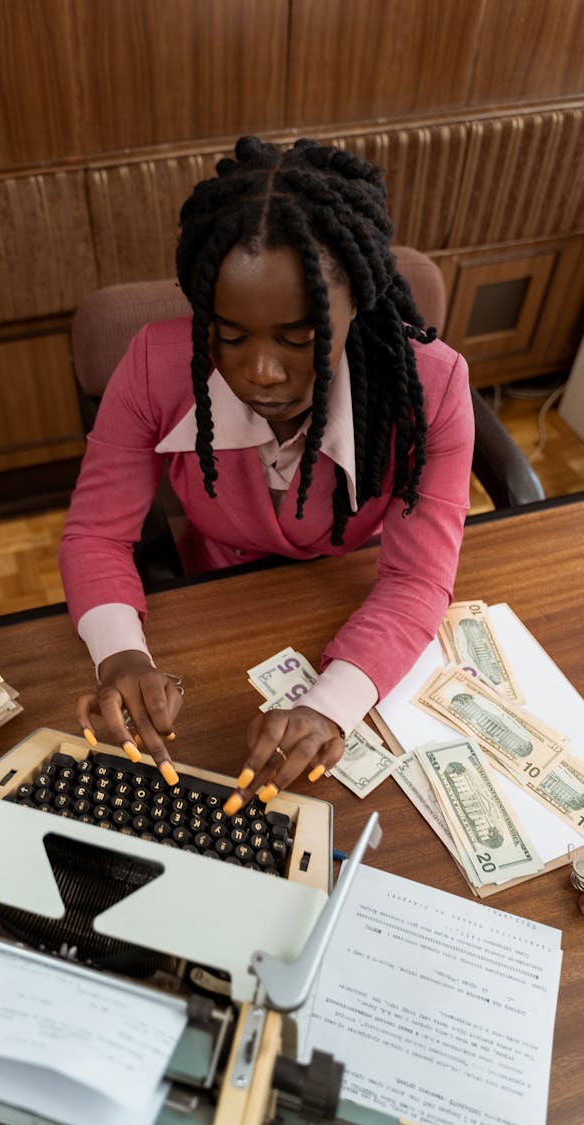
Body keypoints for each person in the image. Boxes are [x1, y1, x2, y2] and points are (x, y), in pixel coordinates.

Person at [59, 135, 474, 816]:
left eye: (298, 336)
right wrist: (121, 655)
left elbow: (416, 579)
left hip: (352, 601)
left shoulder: (431, 387)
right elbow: (95, 537)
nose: (261, 371)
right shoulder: (153, 366)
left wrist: (332, 704)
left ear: (357, 308)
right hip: (217, 596)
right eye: (230, 333)